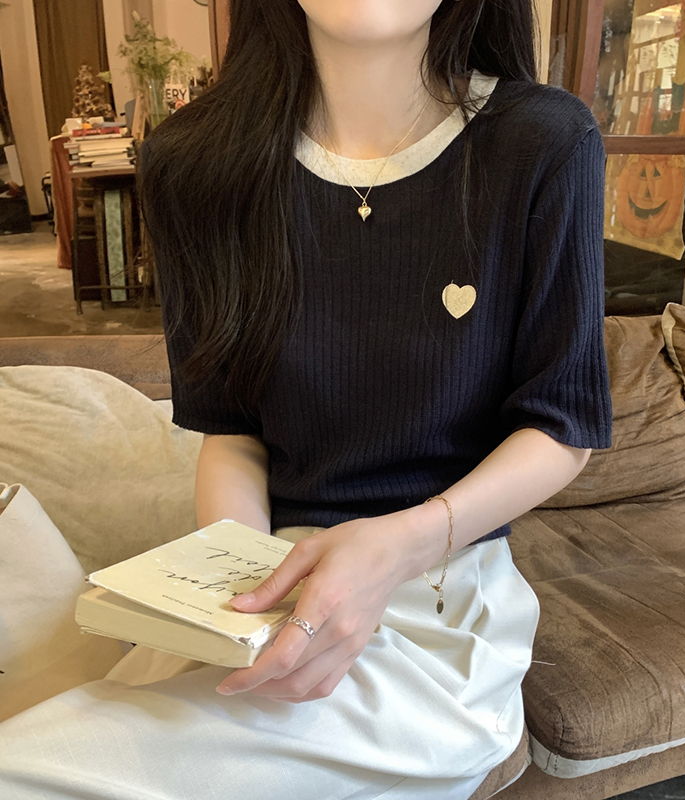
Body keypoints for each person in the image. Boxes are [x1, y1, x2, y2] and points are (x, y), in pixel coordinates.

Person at [0, 1, 612, 797]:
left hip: (445, 598)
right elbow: (232, 431)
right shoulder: (195, 163)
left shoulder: (544, 142)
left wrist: (395, 547)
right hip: (271, 582)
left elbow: (563, 426)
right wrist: (235, 597)